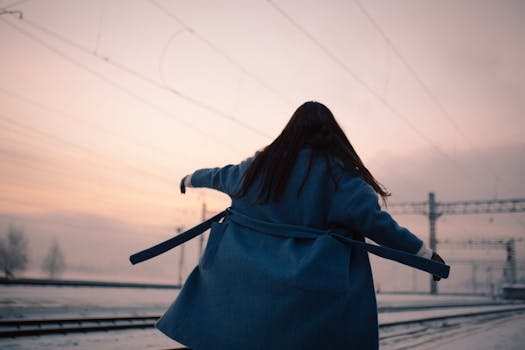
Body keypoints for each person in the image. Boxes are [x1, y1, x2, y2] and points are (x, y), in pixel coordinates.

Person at [154, 101, 446, 350]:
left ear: (290, 131)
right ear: (334, 136)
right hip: (311, 298)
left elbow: (219, 175)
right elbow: (380, 226)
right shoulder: (342, 178)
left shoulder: (259, 168)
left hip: (247, 285)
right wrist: (425, 255)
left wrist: (188, 179)